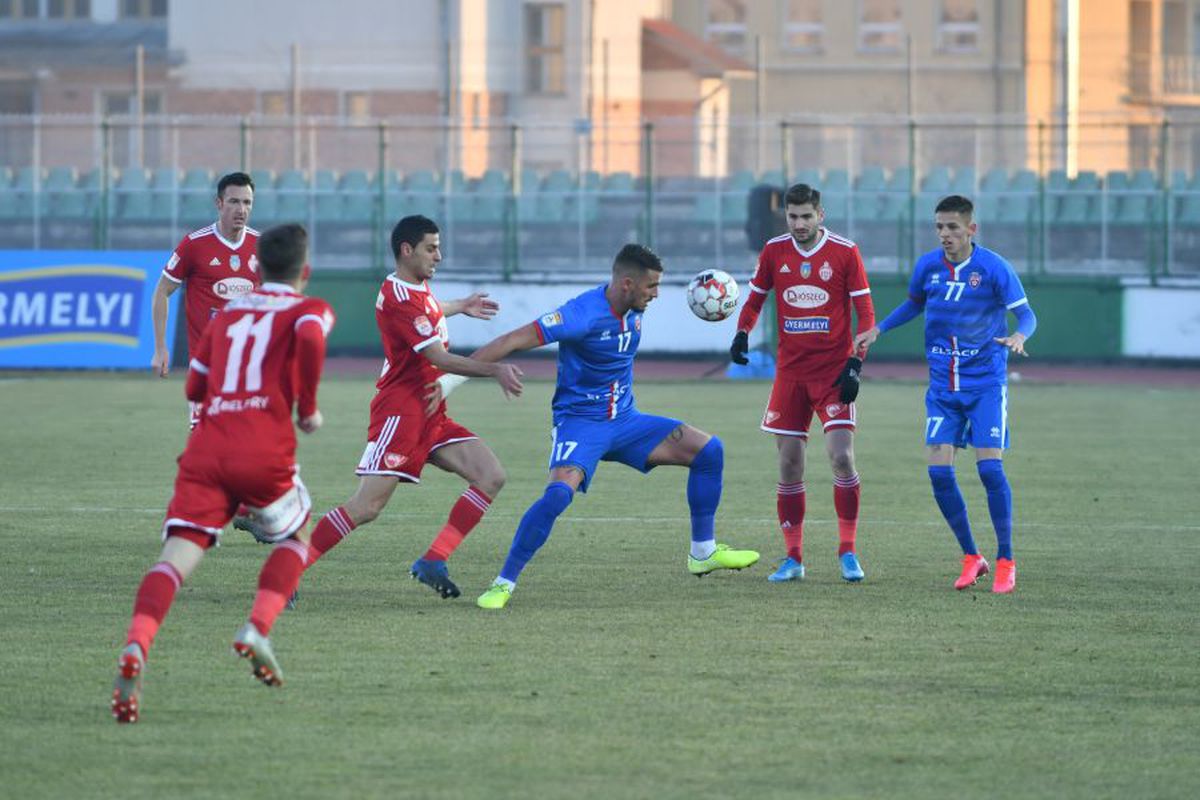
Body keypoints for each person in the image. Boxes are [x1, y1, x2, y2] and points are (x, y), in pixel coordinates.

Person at [112, 223, 334, 723]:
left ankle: (137, 645)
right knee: (296, 536)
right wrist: (307, 408)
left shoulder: (227, 315)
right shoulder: (310, 307)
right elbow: (309, 335)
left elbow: (195, 388)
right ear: (305, 270)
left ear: (257, 267)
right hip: (263, 449)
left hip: (207, 449)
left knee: (175, 559)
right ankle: (257, 626)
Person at [461, 243, 760, 610]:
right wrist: (450, 376)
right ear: (627, 284)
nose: (656, 294)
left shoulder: (634, 308)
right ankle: (503, 583)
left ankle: (703, 552)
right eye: (651, 286)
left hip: (626, 421)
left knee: (709, 451)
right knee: (557, 496)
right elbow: (511, 340)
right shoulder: (581, 314)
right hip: (581, 423)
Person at [283, 215, 523, 601]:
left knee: (490, 476)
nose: (439, 256)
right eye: (431, 248)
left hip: (431, 412)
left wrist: (460, 305)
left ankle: (433, 560)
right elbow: (438, 356)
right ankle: (288, 568)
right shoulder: (400, 299)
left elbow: (429, 310)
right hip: (401, 414)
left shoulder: (413, 287)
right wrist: (494, 368)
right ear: (407, 250)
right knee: (366, 506)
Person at [854, 194, 1037, 594]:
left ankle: (1006, 560)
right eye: (939, 227)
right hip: (942, 387)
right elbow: (913, 304)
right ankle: (972, 557)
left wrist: (1020, 335)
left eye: (952, 227)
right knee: (938, 474)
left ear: (971, 229)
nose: (944, 234)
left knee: (990, 470)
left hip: (985, 384)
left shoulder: (993, 268)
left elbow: (1026, 314)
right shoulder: (928, 267)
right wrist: (879, 329)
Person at [729, 183, 875, 584]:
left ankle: (848, 551)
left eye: (806, 216)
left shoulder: (845, 252)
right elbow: (755, 300)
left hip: (832, 373)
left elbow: (865, 313)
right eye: (792, 217)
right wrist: (742, 332)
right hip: (790, 375)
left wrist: (855, 364)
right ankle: (793, 558)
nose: (799, 224)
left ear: (820, 215)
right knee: (789, 464)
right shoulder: (774, 251)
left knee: (841, 457)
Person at [152, 171, 260, 428]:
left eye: (247, 202)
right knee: (205, 440)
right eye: (234, 201)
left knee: (247, 443)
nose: (241, 209)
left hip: (249, 369)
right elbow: (162, 291)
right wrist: (160, 348)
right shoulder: (194, 245)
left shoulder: (262, 245)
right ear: (219, 203)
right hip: (206, 366)